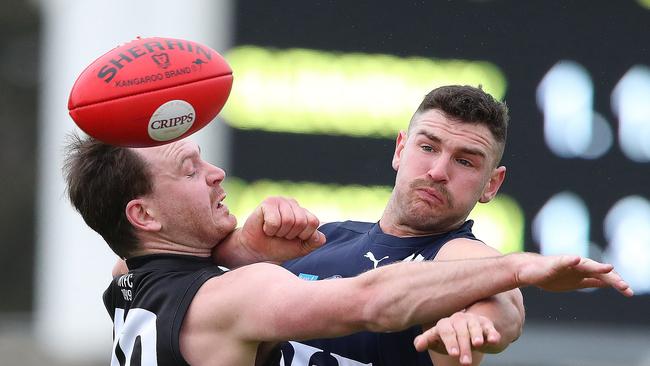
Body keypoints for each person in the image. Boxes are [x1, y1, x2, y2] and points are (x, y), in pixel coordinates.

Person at [62, 134, 633, 366]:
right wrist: (521, 266)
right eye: (190, 170)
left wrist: (244, 247)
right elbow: (374, 302)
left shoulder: (126, 279)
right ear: (145, 214)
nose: (215, 172)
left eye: (465, 160)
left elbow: (178, 264)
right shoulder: (238, 295)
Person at [277, 85, 588, 366]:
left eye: (465, 161)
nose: (439, 171)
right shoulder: (324, 239)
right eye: (427, 148)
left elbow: (504, 303)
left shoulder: (460, 257)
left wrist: (479, 323)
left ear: (491, 184)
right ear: (400, 150)